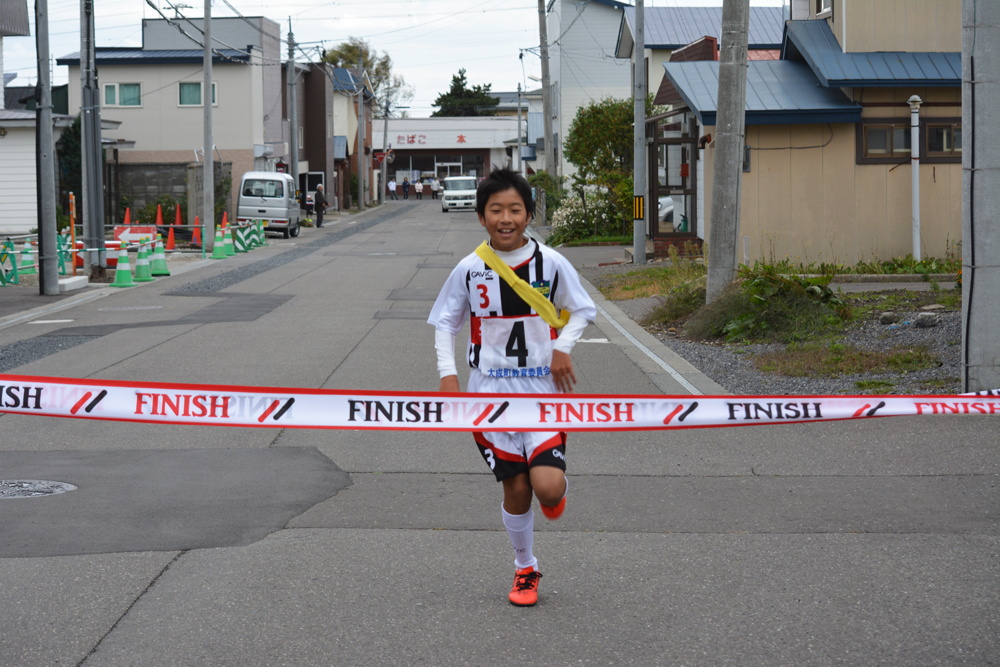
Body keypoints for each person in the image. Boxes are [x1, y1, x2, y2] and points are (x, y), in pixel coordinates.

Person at [428, 167, 596, 608]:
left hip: (542, 392)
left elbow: (582, 309)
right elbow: (445, 322)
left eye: (515, 209)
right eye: (495, 210)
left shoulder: (553, 262)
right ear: (481, 217)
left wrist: (563, 345)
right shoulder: (469, 268)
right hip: (488, 396)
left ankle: (554, 490)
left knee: (547, 488)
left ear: (529, 213)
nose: (506, 218)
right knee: (517, 490)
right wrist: (449, 376)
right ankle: (526, 567)